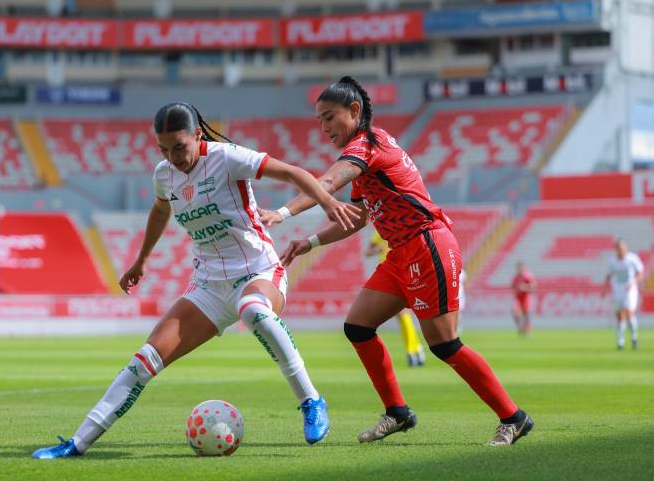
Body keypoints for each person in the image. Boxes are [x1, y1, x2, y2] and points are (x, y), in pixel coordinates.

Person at [32, 102, 361, 459]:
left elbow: (293, 172)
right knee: (144, 361)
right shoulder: (164, 174)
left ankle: (311, 400)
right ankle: (77, 443)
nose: (172, 157)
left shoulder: (228, 157)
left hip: (258, 270)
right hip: (207, 285)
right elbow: (160, 210)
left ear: (197, 135)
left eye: (179, 147)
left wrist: (328, 202)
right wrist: (141, 260)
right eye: (163, 149)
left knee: (253, 310)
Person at [262, 76, 533, 447]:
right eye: (320, 120)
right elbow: (357, 217)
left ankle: (513, 418)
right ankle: (397, 413)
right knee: (358, 327)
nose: (324, 128)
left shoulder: (367, 146)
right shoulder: (366, 154)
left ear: (354, 111)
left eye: (329, 117)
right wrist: (310, 241)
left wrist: (281, 211)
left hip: (427, 246)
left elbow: (326, 183)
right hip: (401, 253)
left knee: (444, 344)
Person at [365, 229, 426, 367]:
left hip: (403, 271)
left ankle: (413, 351)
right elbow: (367, 252)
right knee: (402, 315)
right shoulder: (379, 231)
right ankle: (416, 348)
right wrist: (379, 249)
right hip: (387, 273)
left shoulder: (401, 228)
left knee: (403, 313)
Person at [605, 239, 644, 350]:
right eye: (618, 249)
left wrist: (633, 282)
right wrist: (605, 286)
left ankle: (634, 338)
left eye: (622, 249)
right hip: (617, 290)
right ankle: (620, 341)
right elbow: (609, 275)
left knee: (629, 313)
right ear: (616, 250)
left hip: (630, 290)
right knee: (619, 316)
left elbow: (640, 273)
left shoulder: (632, 259)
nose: (620, 251)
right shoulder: (612, 261)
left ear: (626, 249)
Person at [511, 262, 536, 337]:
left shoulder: (527, 277)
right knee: (515, 313)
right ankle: (520, 327)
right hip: (518, 298)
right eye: (519, 268)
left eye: (521, 268)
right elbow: (512, 287)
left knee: (526, 315)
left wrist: (524, 288)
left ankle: (527, 332)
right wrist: (517, 289)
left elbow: (532, 287)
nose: (520, 269)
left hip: (526, 298)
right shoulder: (515, 278)